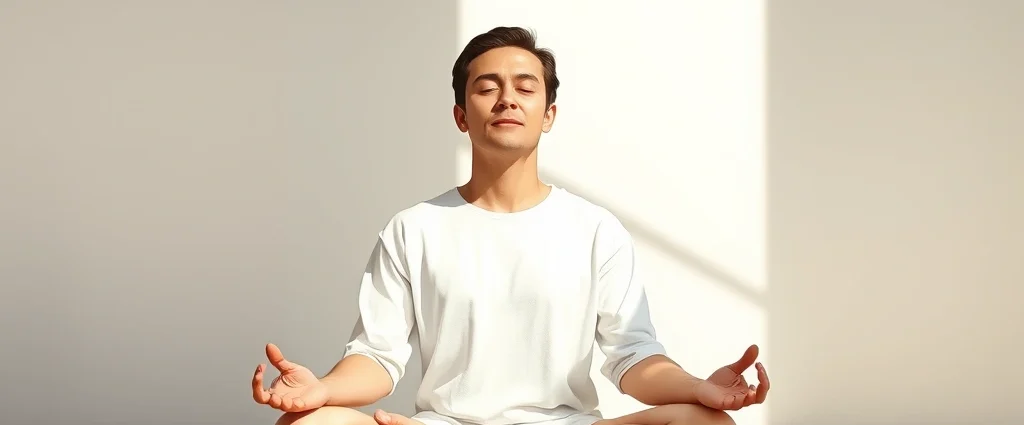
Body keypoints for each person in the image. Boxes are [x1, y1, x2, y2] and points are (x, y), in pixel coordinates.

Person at [251, 26, 769, 425]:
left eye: (525, 87)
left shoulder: (594, 229)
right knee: (308, 422)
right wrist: (321, 389)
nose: (506, 99)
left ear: (548, 113)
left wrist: (698, 387)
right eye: (487, 88)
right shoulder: (414, 229)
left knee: (706, 420)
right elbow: (377, 356)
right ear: (461, 115)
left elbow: (633, 359)